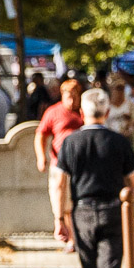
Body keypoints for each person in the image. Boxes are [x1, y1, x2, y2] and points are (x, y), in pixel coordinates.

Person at [53, 88, 134, 268]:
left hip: (82, 210)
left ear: (82, 112)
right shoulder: (119, 142)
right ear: (106, 112)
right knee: (110, 265)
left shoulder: (70, 142)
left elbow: (59, 183)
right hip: (114, 209)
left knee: (88, 266)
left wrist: (59, 218)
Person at [35, 79, 84, 242]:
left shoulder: (85, 111)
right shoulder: (53, 112)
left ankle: (78, 237)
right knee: (61, 197)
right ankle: (68, 235)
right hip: (59, 162)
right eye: (68, 96)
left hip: (82, 165)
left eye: (75, 97)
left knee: (79, 202)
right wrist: (41, 157)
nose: (72, 101)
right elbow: (40, 135)